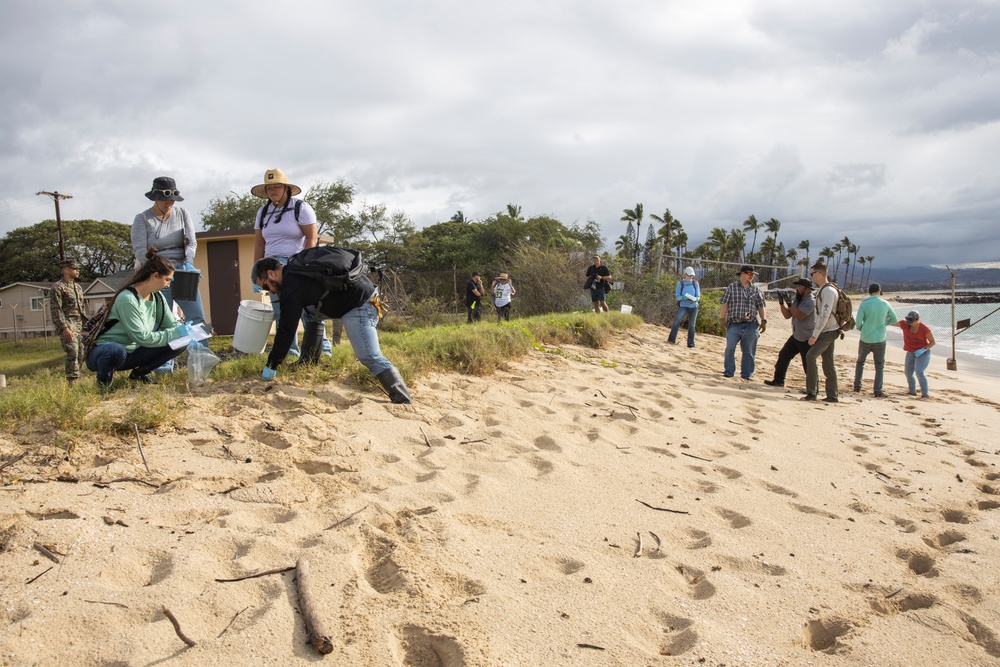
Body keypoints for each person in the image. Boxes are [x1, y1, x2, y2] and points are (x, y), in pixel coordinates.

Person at [251, 254, 411, 403]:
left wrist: (271, 365)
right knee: (309, 313)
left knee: (369, 356)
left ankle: (402, 399)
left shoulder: (291, 287)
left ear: (271, 274)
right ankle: (308, 361)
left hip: (360, 304)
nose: (269, 292)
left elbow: (286, 330)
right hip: (362, 292)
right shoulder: (296, 267)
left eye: (265, 287)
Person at [251, 168, 331, 359]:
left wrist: (305, 265)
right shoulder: (263, 212)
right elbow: (259, 243)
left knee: (309, 309)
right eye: (269, 188)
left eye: (277, 186)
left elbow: (312, 238)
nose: (273, 190)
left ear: (286, 188)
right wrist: (256, 274)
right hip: (271, 267)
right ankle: (290, 353)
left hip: (296, 263)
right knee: (281, 312)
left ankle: (323, 350)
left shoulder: (300, 208)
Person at [85, 249, 191, 389]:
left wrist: (183, 331)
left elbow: (169, 325)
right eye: (167, 280)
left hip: (133, 353)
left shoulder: (158, 298)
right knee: (115, 350)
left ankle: (141, 372)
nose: (168, 284)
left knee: (180, 342)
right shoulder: (128, 299)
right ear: (155, 275)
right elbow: (142, 337)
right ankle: (104, 378)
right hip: (106, 353)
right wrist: (176, 332)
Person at [131, 177, 205, 326]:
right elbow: (139, 251)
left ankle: (199, 350)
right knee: (159, 321)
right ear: (155, 198)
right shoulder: (142, 219)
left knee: (196, 318)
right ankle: (162, 349)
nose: (169, 203)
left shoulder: (183, 214)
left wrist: (189, 262)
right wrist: (161, 269)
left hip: (182, 272)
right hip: (157, 273)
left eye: (172, 200)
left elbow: (192, 243)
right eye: (165, 200)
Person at [764, 278, 815, 387]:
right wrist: (782, 304)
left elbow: (800, 316)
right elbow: (787, 315)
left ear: (805, 288)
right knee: (784, 355)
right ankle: (778, 381)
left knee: (808, 364)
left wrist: (790, 304)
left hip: (807, 338)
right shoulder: (798, 299)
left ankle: (813, 388)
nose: (796, 289)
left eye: (798, 286)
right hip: (796, 335)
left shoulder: (811, 301)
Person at [719, 265, 767, 380]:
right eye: (749, 273)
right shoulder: (732, 287)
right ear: (742, 274)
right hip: (734, 323)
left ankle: (746, 374)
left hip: (751, 324)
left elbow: (761, 306)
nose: (751, 276)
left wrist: (764, 320)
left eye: (753, 274)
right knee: (730, 348)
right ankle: (729, 371)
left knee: (749, 351)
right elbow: (724, 304)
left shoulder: (756, 289)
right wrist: (722, 319)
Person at [802, 262, 840, 402]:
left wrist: (814, 335)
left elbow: (824, 314)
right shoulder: (825, 289)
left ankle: (812, 392)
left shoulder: (828, 291)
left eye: (812, 274)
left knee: (810, 356)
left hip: (828, 331)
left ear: (819, 273)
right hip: (828, 330)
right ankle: (832, 395)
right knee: (828, 363)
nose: (811, 277)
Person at [853, 283, 898, 397]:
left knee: (860, 362)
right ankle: (877, 390)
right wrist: (884, 323)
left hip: (865, 338)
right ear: (879, 291)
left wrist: (863, 328)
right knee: (879, 366)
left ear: (869, 292)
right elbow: (894, 319)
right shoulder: (885, 303)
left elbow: (858, 323)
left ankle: (857, 385)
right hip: (880, 338)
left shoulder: (864, 304)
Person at [50, 258, 86, 382]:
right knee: (73, 352)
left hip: (80, 325)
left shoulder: (78, 287)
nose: (78, 271)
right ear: (65, 270)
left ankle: (77, 377)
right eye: (75, 268)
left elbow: (81, 308)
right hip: (68, 324)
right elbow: (56, 310)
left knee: (81, 353)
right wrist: (64, 328)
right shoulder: (58, 288)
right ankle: (72, 383)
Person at [895, 310, 935, 398]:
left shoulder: (924, 328)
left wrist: (923, 349)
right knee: (908, 373)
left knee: (919, 371)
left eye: (912, 322)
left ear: (917, 320)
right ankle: (912, 391)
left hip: (923, 352)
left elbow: (932, 342)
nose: (910, 324)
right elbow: (891, 322)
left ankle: (925, 394)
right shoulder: (905, 324)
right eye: (908, 321)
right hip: (910, 352)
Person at [669, 266, 700, 347]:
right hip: (684, 306)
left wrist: (695, 299)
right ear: (685, 274)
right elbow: (677, 297)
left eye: (691, 276)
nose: (690, 277)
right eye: (689, 275)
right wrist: (684, 298)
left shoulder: (695, 284)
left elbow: (698, 296)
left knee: (691, 326)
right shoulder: (680, 284)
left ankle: (691, 344)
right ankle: (671, 340)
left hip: (694, 307)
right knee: (677, 321)